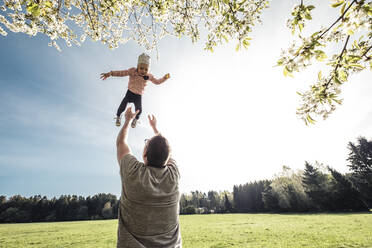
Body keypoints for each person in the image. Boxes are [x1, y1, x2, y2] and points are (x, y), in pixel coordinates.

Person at [116, 107, 182, 248]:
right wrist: (155, 129)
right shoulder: (174, 175)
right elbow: (167, 151)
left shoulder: (133, 172)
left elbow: (121, 143)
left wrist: (127, 121)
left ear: (145, 155)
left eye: (146, 143)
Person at [100, 53, 170, 128]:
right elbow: (121, 73)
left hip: (138, 96)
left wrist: (164, 78)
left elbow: (157, 82)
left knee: (139, 110)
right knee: (122, 107)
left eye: (146, 69)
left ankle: (135, 120)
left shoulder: (148, 76)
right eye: (141, 68)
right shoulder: (132, 71)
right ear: (137, 67)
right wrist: (110, 73)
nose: (143, 71)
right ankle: (118, 117)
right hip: (129, 93)